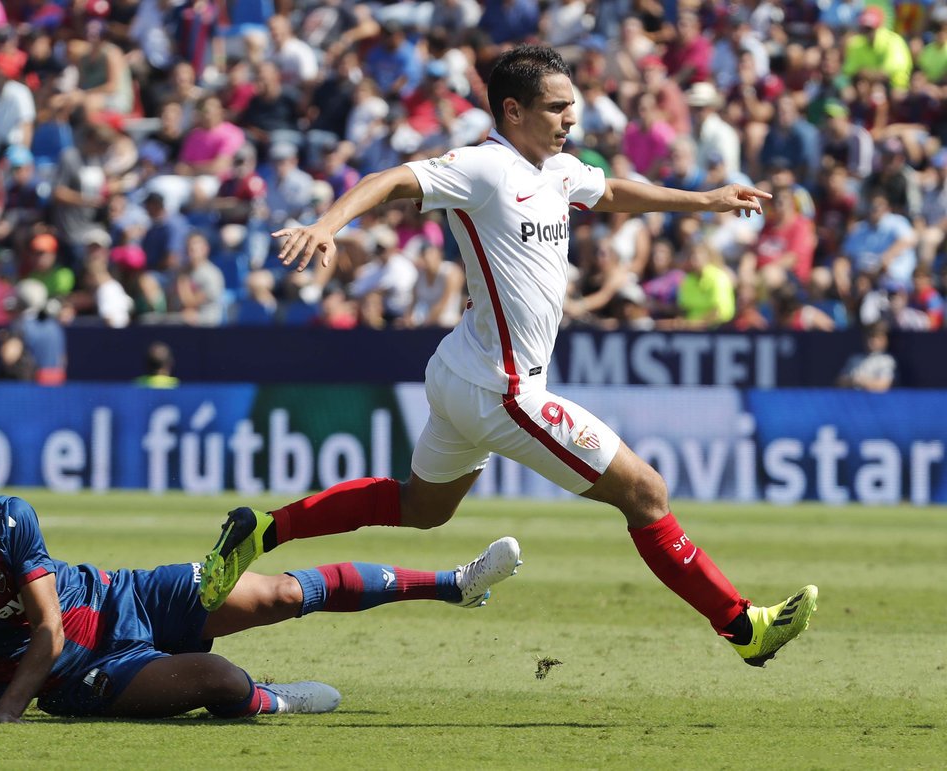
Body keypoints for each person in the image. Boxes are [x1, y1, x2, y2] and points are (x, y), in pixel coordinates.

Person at [198, 45, 817, 668]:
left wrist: (705, 201)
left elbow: (612, 193)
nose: (569, 118)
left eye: (571, 106)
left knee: (423, 508)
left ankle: (263, 530)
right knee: (646, 494)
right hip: (505, 391)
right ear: (513, 110)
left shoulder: (561, 169)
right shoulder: (482, 168)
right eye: (556, 108)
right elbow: (389, 180)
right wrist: (328, 223)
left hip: (458, 369)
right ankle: (743, 626)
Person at [0, 458, 520, 722]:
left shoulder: (12, 518)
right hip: (84, 676)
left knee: (286, 592)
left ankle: (453, 584)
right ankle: (269, 700)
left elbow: (45, 620)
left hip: (126, 598)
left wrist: (4, 709)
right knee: (220, 682)